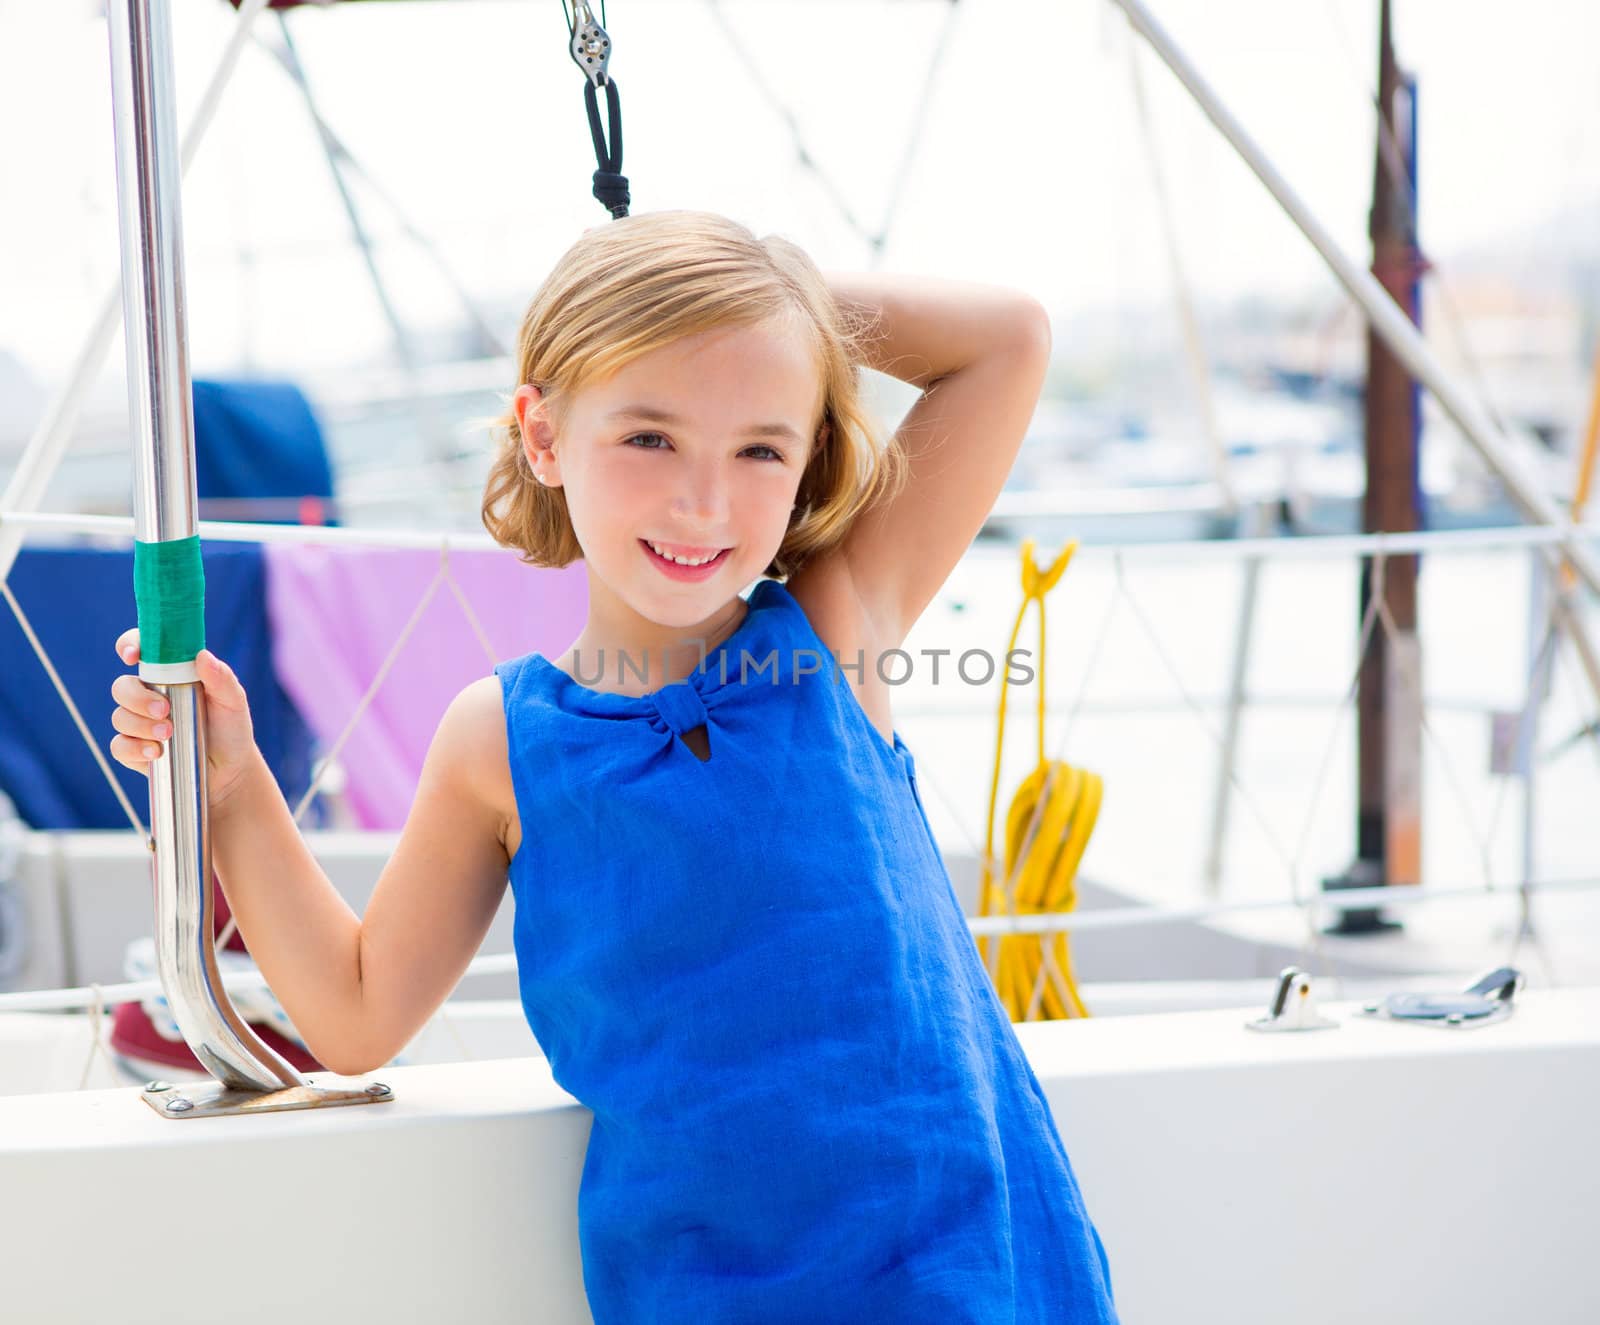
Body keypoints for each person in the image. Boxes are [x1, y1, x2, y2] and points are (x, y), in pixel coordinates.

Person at [109, 210, 1119, 1323]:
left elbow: (1008, 341)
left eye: (759, 449)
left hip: (964, 1275)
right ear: (542, 437)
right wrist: (238, 784)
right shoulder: (498, 737)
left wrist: (758, 295)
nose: (704, 499)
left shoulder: (837, 626)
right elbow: (353, 1014)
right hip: (699, 1293)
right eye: (649, 437)